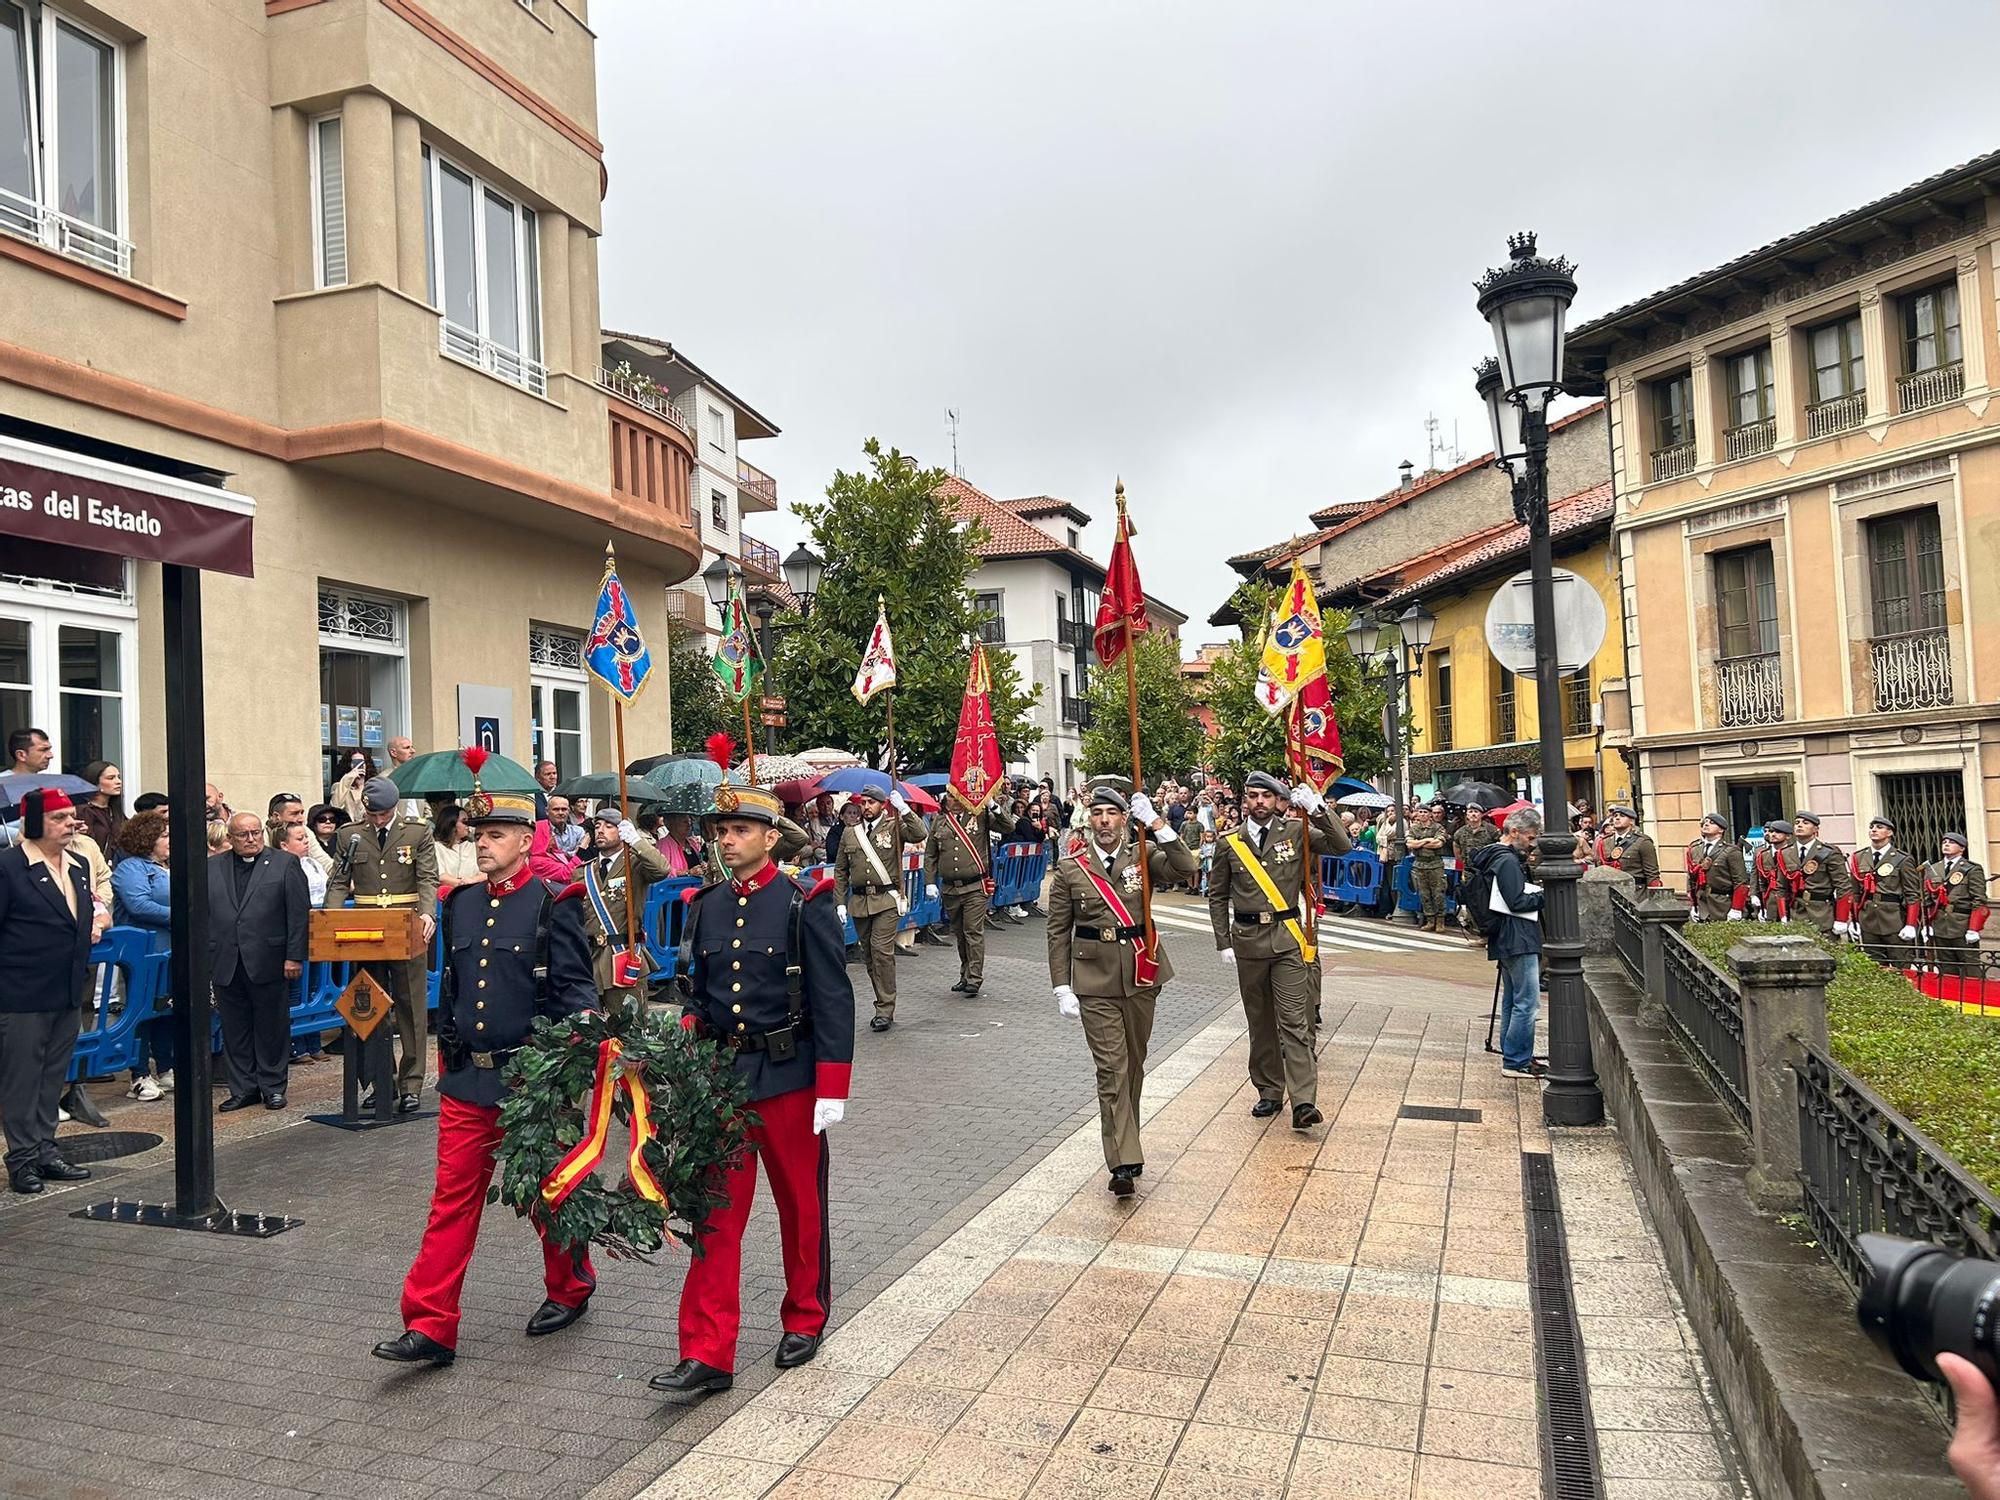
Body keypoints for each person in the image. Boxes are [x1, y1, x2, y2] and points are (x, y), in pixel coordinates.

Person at [372, 787, 599, 1368]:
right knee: (451, 1201)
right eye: (478, 835)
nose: (483, 844)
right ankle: (430, 1323)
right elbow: (453, 984)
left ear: (525, 842)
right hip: (468, 1083)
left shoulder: (554, 904)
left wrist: (577, 1045)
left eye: (496, 835)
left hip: (531, 1083)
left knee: (550, 1192)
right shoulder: (462, 904)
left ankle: (570, 1286)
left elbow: (577, 990)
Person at [649, 780, 855, 1401]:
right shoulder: (706, 904)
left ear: (770, 838)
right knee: (714, 1215)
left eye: (740, 830)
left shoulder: (803, 902)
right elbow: (698, 994)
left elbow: (833, 997)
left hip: (789, 1078)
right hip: (724, 1082)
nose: (728, 840)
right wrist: (683, 1037)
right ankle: (706, 1350)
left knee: (800, 1206)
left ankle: (805, 1317)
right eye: (721, 831)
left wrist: (832, 1086)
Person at [1048, 787, 1197, 1194]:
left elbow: (1186, 866)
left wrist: (1158, 823)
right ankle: (1122, 1161)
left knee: (1133, 1064)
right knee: (1112, 1069)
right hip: (1094, 980)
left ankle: (1126, 1137)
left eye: (1112, 813)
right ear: (1088, 819)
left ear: (1124, 820)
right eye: (1097, 813)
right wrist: (1062, 985)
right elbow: (1058, 931)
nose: (1104, 821)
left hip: (1141, 974)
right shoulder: (1071, 868)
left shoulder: (1143, 856)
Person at [1207, 772, 1349, 1129]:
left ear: (1277, 801)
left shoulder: (1297, 832)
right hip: (1247, 941)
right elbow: (1217, 896)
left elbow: (1342, 845)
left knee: (1295, 1021)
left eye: (1266, 796)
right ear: (1245, 800)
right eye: (1253, 795)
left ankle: (1304, 1101)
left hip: (1287, 940)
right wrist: (1223, 941)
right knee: (1260, 1023)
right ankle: (1269, 1090)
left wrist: (1318, 809)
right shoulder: (1230, 842)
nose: (1260, 802)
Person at [0, 789, 103, 1191]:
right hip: (22, 993)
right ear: (34, 823)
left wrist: (97, 922)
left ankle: (45, 1150)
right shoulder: (10, 866)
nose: (70, 823)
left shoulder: (78, 865)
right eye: (59, 818)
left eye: (71, 816)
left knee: (52, 1076)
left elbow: (83, 912)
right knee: (22, 1079)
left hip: (67, 988)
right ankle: (22, 1159)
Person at [326, 777, 440, 1112]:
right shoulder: (350, 835)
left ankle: (411, 1083)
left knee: (410, 1006)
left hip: (406, 927)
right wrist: (331, 918)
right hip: (365, 930)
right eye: (373, 814)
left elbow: (427, 877)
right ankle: (381, 1081)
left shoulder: (416, 832)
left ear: (394, 807)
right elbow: (339, 880)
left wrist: (427, 913)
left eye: (384, 814)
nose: (378, 820)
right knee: (369, 1005)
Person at [208, 813, 309, 1111]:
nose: (251, 839)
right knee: (234, 1028)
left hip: (270, 958)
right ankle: (243, 1088)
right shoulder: (212, 867)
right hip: (226, 959)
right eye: (243, 835)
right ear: (230, 838)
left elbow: (298, 914)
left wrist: (294, 956)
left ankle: (273, 1086)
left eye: (255, 832)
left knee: (271, 1027)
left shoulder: (284, 863)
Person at [832, 784, 925, 1033]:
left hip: (886, 900)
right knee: (870, 956)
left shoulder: (894, 827)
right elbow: (840, 870)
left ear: (882, 805)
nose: (866, 807)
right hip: (860, 902)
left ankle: (884, 1008)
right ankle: (882, 999)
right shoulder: (850, 832)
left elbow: (919, 833)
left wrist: (904, 809)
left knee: (881, 950)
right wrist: (839, 902)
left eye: (871, 802)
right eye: (863, 803)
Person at [575, 807, 671, 1009]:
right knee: (589, 1026)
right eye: (597, 826)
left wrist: (636, 841)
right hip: (590, 959)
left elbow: (662, 869)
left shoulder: (634, 864)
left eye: (609, 826)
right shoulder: (583, 871)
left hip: (623, 957)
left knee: (629, 1025)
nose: (600, 831)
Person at [1477, 806, 1546, 1080]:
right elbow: (1516, 901)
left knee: (1513, 999)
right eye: (1530, 837)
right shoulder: (1506, 860)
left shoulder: (1497, 856)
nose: (1532, 843)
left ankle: (1513, 1054)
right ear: (1514, 832)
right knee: (1527, 1002)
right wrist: (1544, 895)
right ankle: (1516, 1060)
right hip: (1518, 935)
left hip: (1506, 936)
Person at [112, 810, 175, 1099]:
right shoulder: (131, 868)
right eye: (164, 835)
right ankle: (139, 1075)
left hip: (169, 950)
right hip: (144, 953)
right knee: (143, 1012)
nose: (170, 840)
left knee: (166, 1010)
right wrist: (182, 913)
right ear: (146, 839)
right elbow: (138, 905)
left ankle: (165, 1068)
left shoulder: (166, 867)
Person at [924, 794, 997, 999]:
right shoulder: (939, 821)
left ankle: (974, 978)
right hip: (950, 888)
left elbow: (1007, 826)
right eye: (950, 797)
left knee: (972, 931)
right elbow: (930, 854)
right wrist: (929, 881)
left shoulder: (979, 814)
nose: (954, 801)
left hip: (975, 886)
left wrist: (994, 806)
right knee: (960, 933)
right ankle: (965, 973)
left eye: (958, 796)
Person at [1851, 816, 1922, 967]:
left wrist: (1910, 924)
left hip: (1893, 919)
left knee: (1900, 967)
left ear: (1890, 833)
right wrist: (1854, 921)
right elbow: (1855, 893)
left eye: (1879, 827)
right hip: (1868, 919)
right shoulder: (1859, 857)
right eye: (1872, 827)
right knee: (1874, 968)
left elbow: (1912, 894)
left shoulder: (1902, 859)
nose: (1874, 830)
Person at [1922, 832, 1989, 983]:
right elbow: (1927, 901)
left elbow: (1979, 900)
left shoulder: (1972, 869)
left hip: (1962, 925)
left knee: (1971, 970)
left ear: (1962, 848)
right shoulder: (1933, 869)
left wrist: (1973, 928)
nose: (1946, 844)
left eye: (1951, 842)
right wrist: (1927, 925)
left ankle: (1974, 996)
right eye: (1944, 842)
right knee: (1947, 971)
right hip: (1940, 925)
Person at [1791, 811, 1854, 938]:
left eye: (1805, 823)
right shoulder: (1786, 853)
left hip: (1822, 913)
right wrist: (1783, 916)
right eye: (1797, 823)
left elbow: (1843, 886)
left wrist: (1841, 919)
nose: (1800, 825)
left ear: (1816, 829)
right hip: (1796, 912)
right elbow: (1781, 888)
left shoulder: (1829, 852)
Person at [1685, 813, 1748, 923]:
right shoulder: (1695, 849)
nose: (1706, 824)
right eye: (1705, 822)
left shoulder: (1731, 851)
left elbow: (1740, 883)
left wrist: (1736, 909)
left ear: (1721, 830)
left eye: (1712, 823)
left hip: (1722, 905)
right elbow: (1691, 879)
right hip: (1701, 905)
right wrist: (1693, 905)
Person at [1597, 804, 1662, 894]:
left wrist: (1654, 895)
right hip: (1610, 892)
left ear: (1631, 821)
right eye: (1615, 816)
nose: (1617, 818)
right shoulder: (1604, 842)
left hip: (1636, 893)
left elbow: (1652, 874)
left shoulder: (1642, 842)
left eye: (1622, 816)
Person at [1406, 804, 1449, 932]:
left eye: (1425, 812)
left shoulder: (1438, 827)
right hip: (1419, 864)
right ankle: (1430, 920)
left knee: (1438, 893)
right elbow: (1410, 844)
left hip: (1435, 864)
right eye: (1420, 812)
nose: (1423, 814)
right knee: (1424, 894)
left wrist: (1419, 843)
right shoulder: (1414, 828)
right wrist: (1427, 840)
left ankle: (1440, 920)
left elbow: (1438, 843)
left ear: (1430, 814)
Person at [1750, 818, 1802, 922]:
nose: (1773, 834)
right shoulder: (1762, 855)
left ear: (1788, 836)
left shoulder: (1794, 853)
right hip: (1769, 902)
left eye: (1778, 832)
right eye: (1771, 831)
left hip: (1791, 902)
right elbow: (1757, 877)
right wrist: (1754, 895)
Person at [272, 819, 329, 907]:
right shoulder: (277, 869)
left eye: (306, 837)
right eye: (300, 839)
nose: (306, 841)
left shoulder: (312, 863)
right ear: (284, 846)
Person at [76, 760, 125, 856]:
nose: (118, 782)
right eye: (111, 778)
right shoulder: (84, 811)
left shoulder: (115, 810)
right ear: (95, 782)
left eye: (118, 777)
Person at [431, 803, 481, 893]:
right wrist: (463, 884)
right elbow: (440, 876)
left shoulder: (474, 846)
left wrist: (472, 881)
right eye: (464, 821)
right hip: (446, 895)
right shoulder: (436, 847)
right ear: (451, 823)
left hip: (474, 892)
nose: (468, 825)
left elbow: (486, 873)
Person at [331, 750, 377, 825]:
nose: (359, 765)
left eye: (361, 762)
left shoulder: (373, 788)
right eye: (355, 762)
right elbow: (334, 808)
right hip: (348, 828)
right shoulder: (340, 786)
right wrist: (348, 778)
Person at [545, 796, 586, 860]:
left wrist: (559, 854)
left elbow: (581, 854)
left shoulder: (578, 831)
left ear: (568, 811)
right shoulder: (541, 832)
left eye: (564, 809)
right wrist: (573, 853)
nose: (560, 813)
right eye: (556, 809)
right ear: (547, 811)